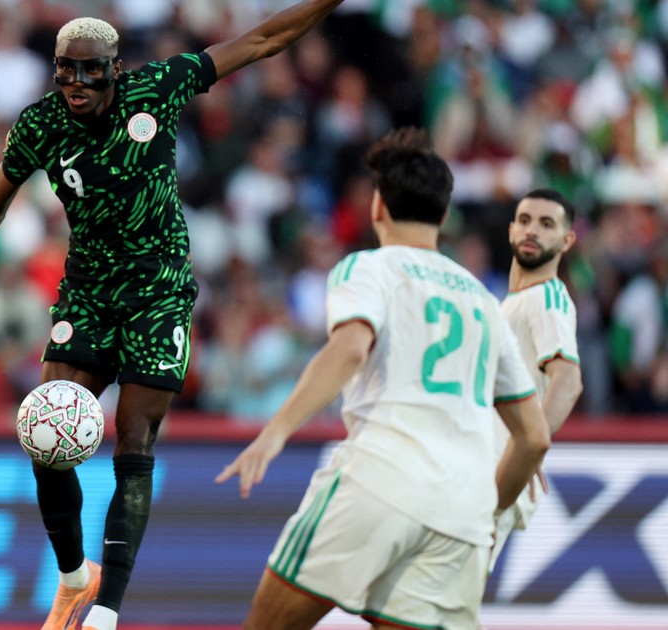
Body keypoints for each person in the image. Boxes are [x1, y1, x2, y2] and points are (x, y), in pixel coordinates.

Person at [0, 4, 346, 629]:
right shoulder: (41, 124)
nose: (76, 83)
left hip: (158, 293)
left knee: (134, 441)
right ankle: (74, 578)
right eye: (65, 70)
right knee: (45, 426)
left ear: (115, 69)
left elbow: (263, 38)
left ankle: (107, 611)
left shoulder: (157, 89)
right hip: (88, 292)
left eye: (91, 71)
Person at [215, 128, 550, 630]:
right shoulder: (485, 301)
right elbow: (534, 437)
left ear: (377, 207)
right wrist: (489, 508)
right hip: (462, 507)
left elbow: (350, 348)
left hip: (380, 476)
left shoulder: (369, 268)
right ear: (443, 215)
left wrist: (275, 432)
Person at [488, 189, 583, 571]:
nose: (532, 231)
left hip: (495, 471)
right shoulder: (515, 301)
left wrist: (531, 446)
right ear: (511, 229)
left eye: (546, 224)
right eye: (525, 221)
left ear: (567, 240)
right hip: (478, 466)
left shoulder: (549, 298)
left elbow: (568, 380)